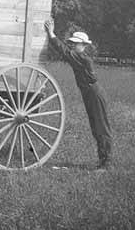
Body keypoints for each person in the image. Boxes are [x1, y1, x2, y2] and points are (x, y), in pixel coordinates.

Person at [44, 20, 113, 170]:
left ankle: (106, 163)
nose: (73, 45)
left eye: (76, 44)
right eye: (73, 43)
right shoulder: (79, 56)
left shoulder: (83, 58)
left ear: (84, 45)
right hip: (89, 93)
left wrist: (51, 34)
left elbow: (65, 52)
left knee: (101, 127)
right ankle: (102, 161)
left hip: (94, 93)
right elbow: (66, 52)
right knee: (96, 127)